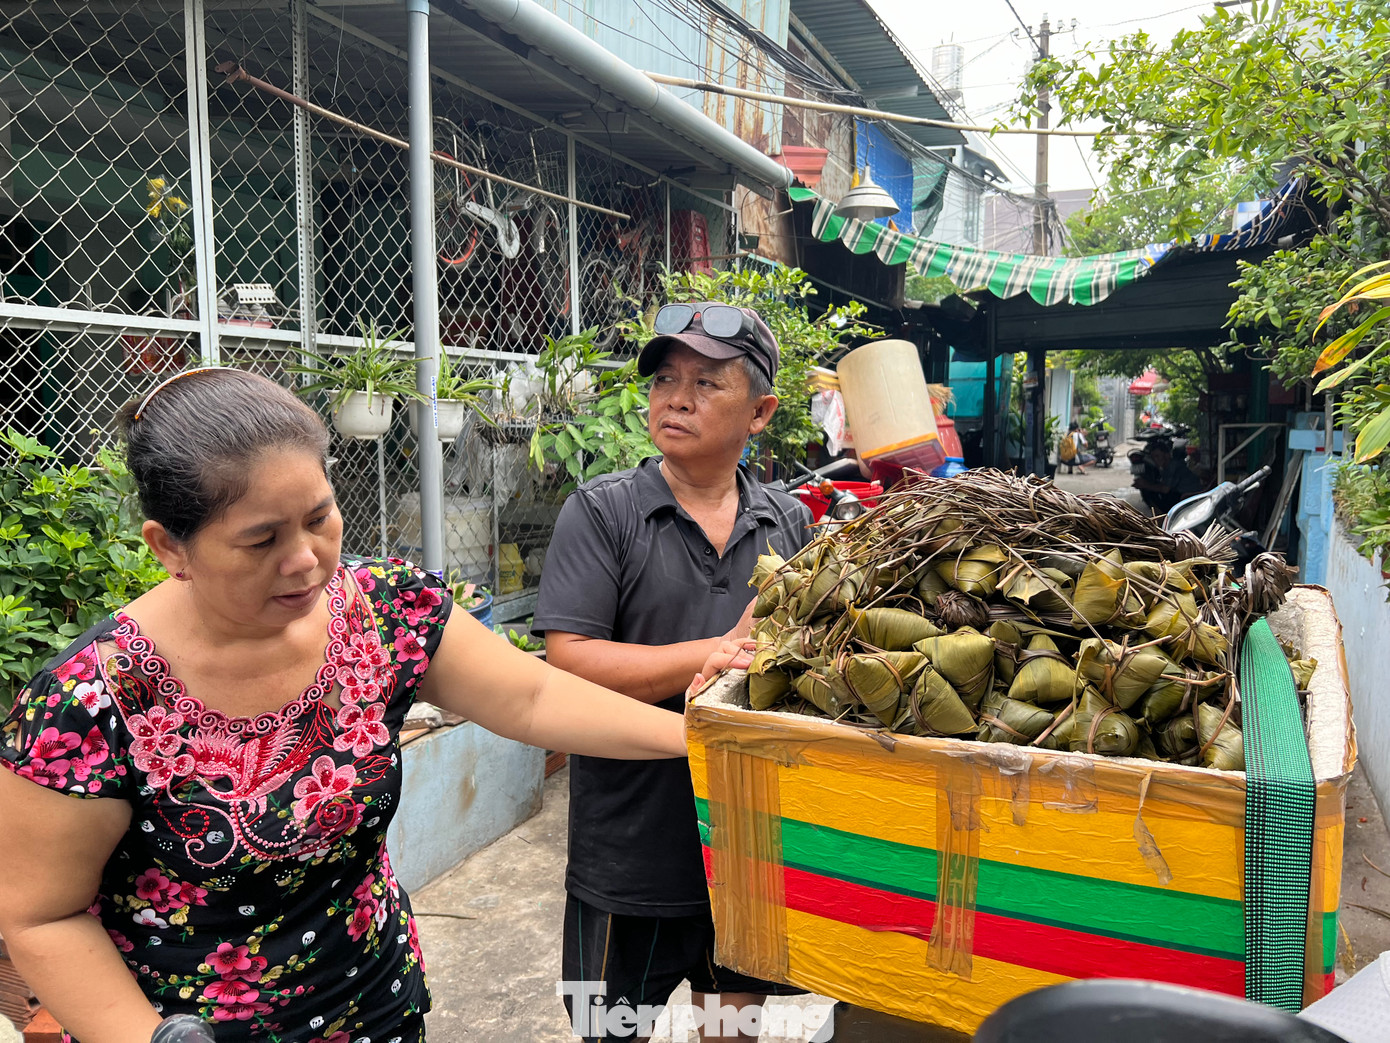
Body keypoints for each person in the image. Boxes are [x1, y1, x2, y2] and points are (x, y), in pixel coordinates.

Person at [0, 368, 688, 1043]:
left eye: (318, 517)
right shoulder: (89, 703)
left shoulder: (383, 613)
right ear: (170, 547)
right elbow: (41, 914)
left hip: (377, 1007)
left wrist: (699, 737)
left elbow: (533, 696)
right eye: (261, 539)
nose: (304, 559)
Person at [532, 303, 813, 1042]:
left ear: (761, 411)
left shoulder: (788, 523)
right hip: (628, 860)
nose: (675, 398)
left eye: (705, 383)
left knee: (733, 1028)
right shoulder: (603, 512)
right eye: (664, 379)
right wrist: (711, 652)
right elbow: (570, 662)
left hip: (743, 852)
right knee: (607, 1032)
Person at [1132, 437, 1205, 515]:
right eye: (1153, 457)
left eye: (1157, 456)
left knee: (1151, 492)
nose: (1156, 460)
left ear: (1167, 455)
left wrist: (1145, 484)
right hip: (1181, 494)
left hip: (1189, 496)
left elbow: (1165, 489)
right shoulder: (1166, 467)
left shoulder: (1173, 466)